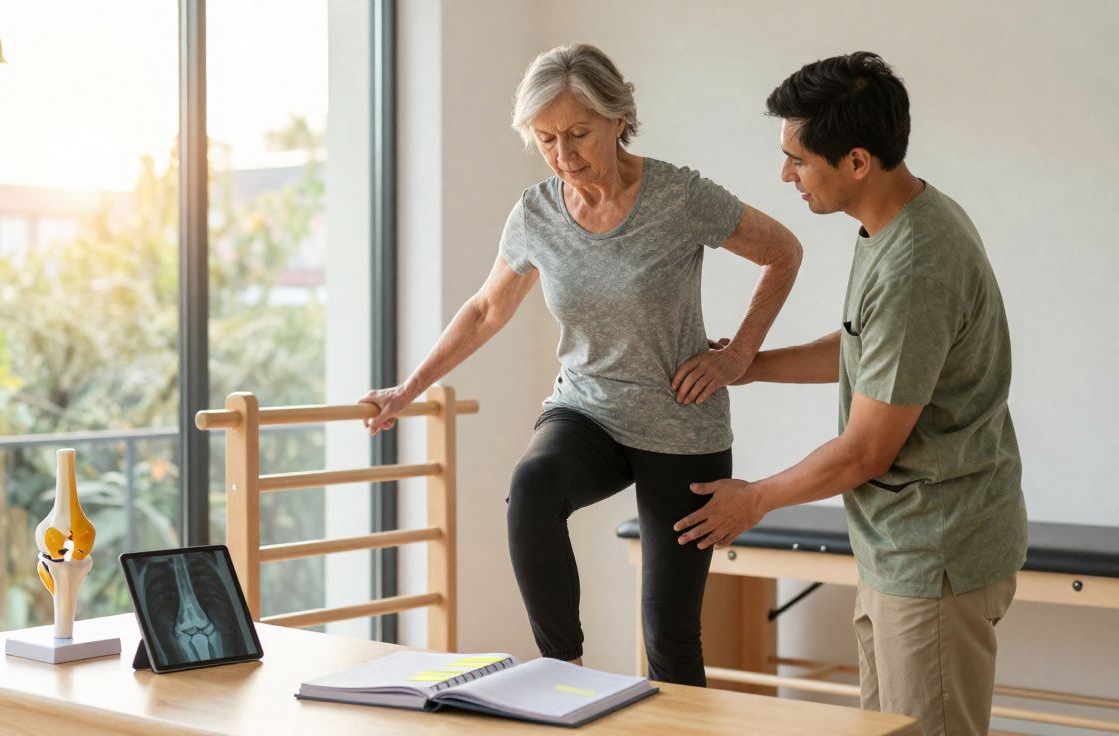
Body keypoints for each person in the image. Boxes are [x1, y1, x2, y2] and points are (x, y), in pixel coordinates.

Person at [359, 43, 802, 685]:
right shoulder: (537, 212)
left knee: (670, 637)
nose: (564, 156)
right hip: (585, 409)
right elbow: (486, 309)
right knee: (533, 489)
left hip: (681, 424)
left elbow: (782, 252)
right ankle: (562, 675)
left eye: (577, 134)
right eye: (545, 139)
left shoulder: (679, 196)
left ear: (618, 119)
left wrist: (737, 356)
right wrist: (407, 389)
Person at [675, 52, 1027, 733]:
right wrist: (748, 362)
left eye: (799, 160)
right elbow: (873, 352)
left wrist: (752, 502)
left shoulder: (918, 265)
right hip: (903, 549)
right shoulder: (898, 225)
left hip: (935, 557)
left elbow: (863, 450)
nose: (785, 176)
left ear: (858, 161)